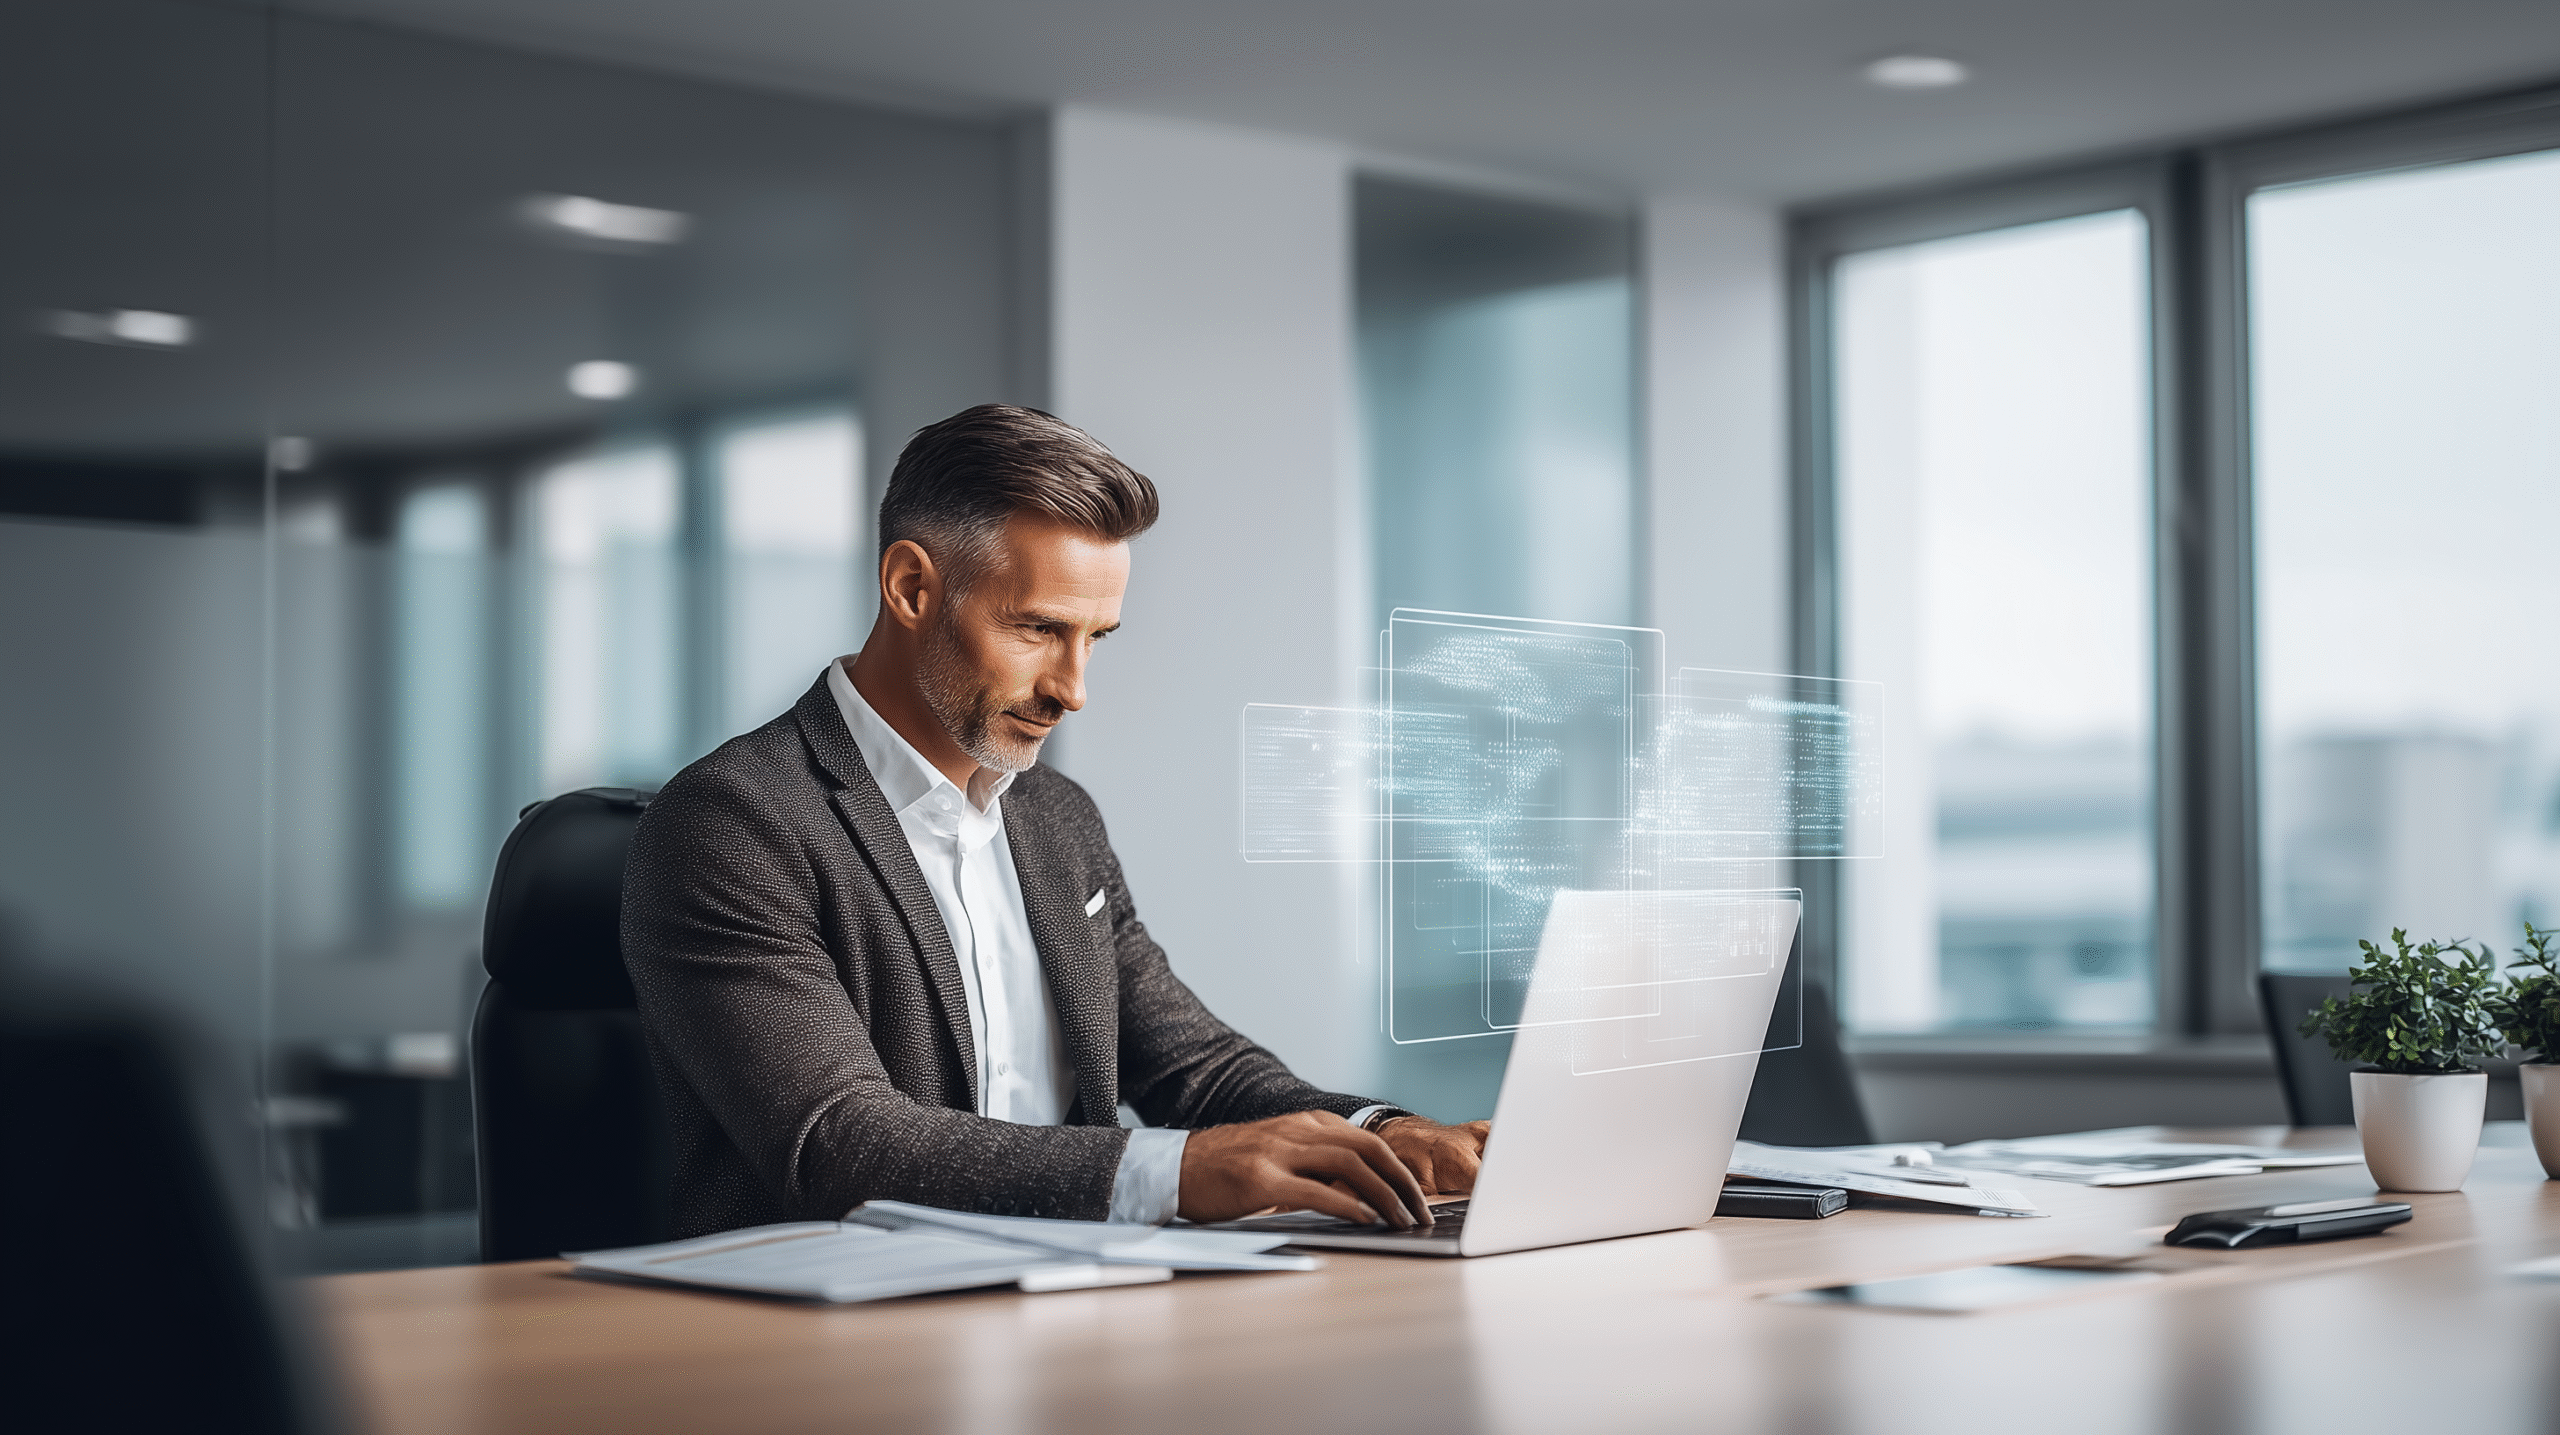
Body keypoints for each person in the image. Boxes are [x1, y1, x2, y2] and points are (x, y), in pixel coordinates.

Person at [624, 403, 1489, 1237]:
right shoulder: (731, 823)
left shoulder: (1057, 818)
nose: (1072, 689)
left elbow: (1192, 1066)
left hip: (1066, 1310)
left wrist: (1381, 1129)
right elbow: (840, 1142)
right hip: (823, 1349)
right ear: (912, 586)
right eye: (1039, 629)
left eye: (1095, 637)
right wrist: (1175, 1171)